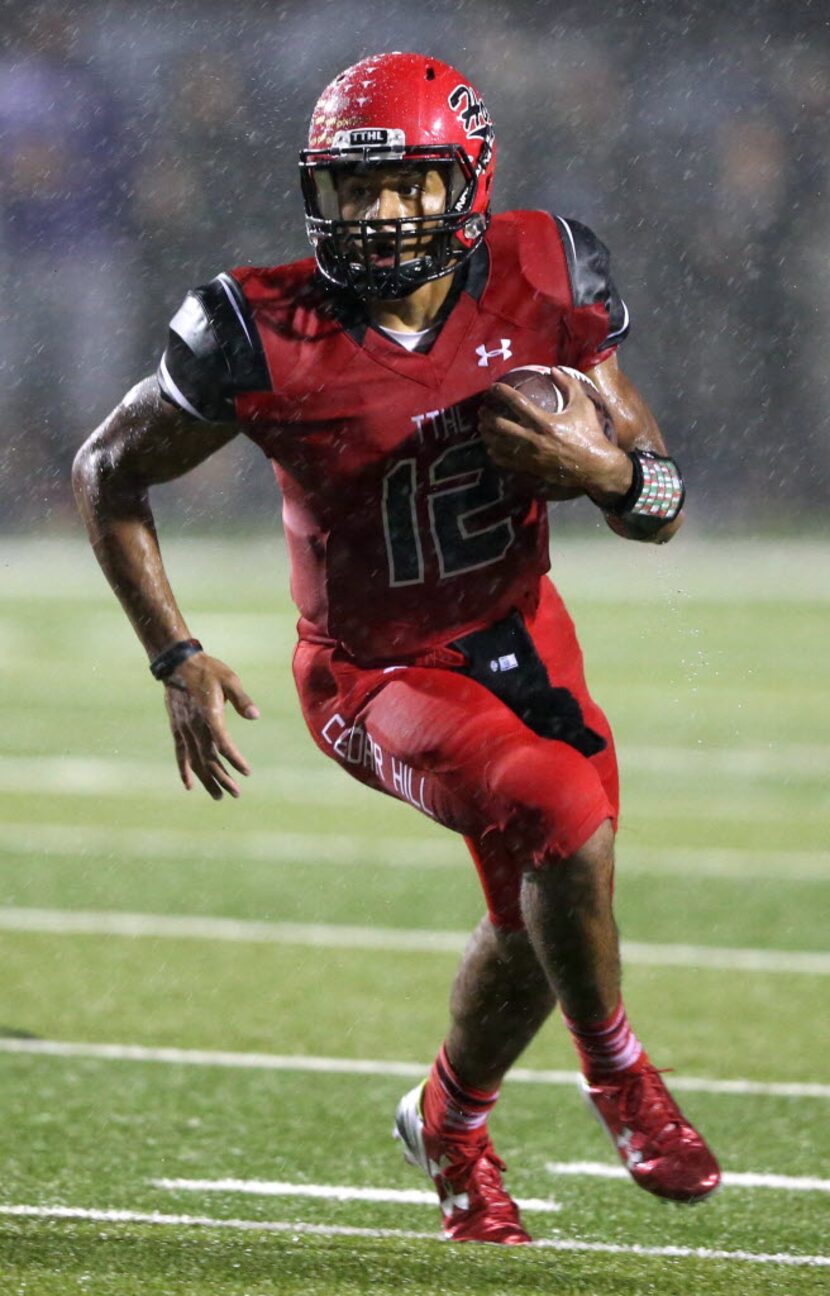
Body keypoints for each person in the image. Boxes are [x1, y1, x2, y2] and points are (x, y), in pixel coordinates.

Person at [73, 51, 719, 1245]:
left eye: (404, 186)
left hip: (526, 636)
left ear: (464, 183)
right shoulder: (256, 326)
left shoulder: (542, 271)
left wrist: (605, 471)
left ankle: (447, 1122)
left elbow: (661, 502)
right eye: (349, 190)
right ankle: (619, 1078)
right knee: (562, 816)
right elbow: (105, 471)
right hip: (374, 672)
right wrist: (174, 656)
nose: (374, 216)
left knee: (540, 925)